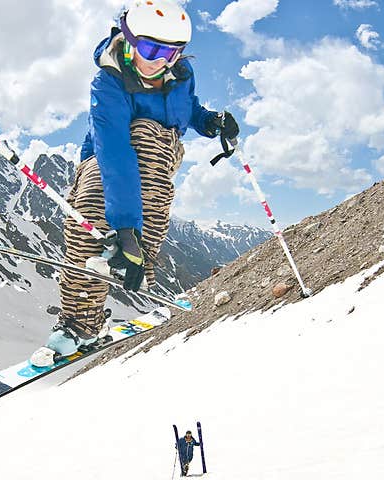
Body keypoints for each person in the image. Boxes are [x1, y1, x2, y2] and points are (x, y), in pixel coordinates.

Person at [30, 0, 239, 366]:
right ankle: (81, 322)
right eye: (151, 49)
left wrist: (210, 122)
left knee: (148, 133)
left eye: (172, 53)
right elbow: (114, 154)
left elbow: (186, 109)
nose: (161, 61)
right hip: (107, 155)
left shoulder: (181, 74)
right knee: (88, 212)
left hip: (159, 152)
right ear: (128, 40)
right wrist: (124, 227)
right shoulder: (108, 82)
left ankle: (141, 252)